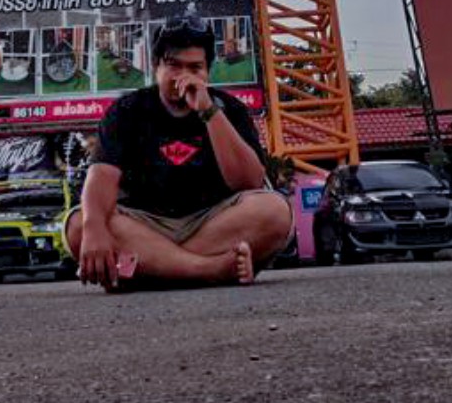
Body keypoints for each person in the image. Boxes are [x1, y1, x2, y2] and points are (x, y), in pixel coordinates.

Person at [65, 17, 292, 291]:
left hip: (211, 221)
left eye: (195, 68)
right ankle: (209, 270)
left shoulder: (230, 109)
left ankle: (147, 269)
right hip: (143, 223)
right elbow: (101, 178)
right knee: (79, 226)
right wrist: (94, 227)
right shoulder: (127, 111)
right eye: (173, 65)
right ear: (156, 66)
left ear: (208, 71)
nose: (183, 76)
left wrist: (208, 111)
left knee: (274, 211)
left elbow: (249, 182)